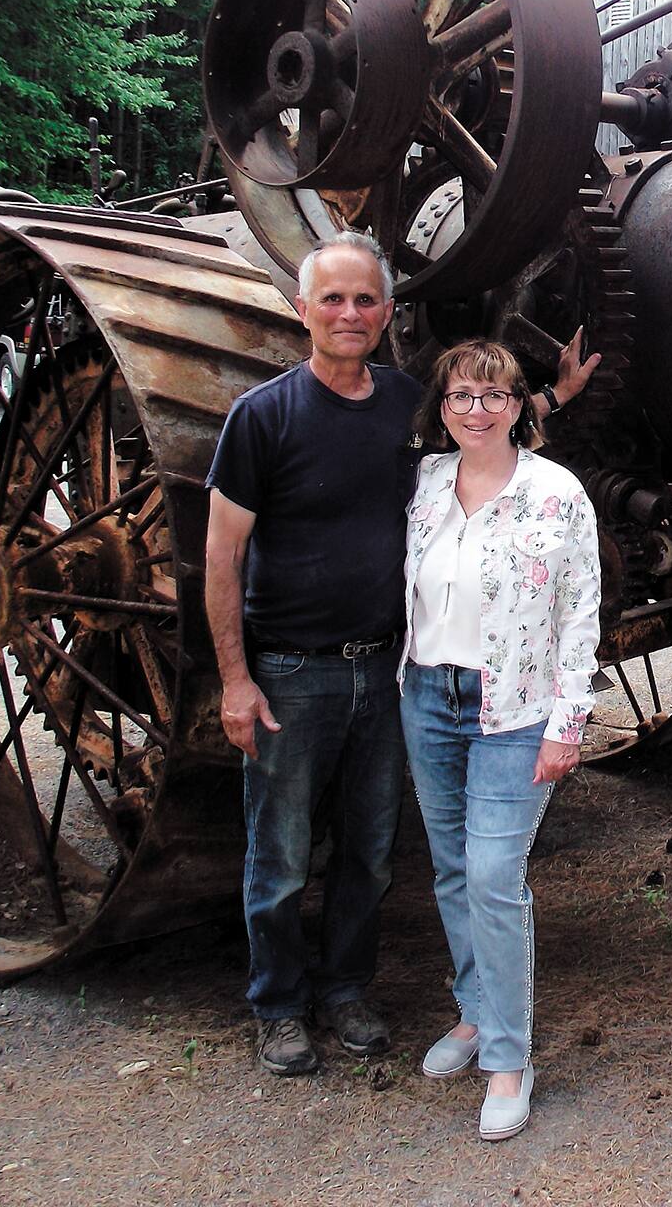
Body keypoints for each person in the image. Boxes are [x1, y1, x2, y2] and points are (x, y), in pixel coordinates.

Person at [206, 234, 593, 1077]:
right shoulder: (261, 416)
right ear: (301, 308)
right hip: (292, 672)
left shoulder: (402, 406)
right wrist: (235, 679)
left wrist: (552, 397)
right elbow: (221, 557)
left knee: (371, 852)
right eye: (333, 300)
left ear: (388, 312)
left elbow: (484, 437)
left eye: (367, 300)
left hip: (389, 674)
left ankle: (346, 990)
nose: (351, 315)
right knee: (277, 853)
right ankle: (277, 1005)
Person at [401, 339, 600, 1141]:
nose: (474, 410)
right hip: (427, 695)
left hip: (514, 712)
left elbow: (581, 614)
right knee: (452, 869)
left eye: (491, 397)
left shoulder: (557, 494)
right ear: (441, 408)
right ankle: (475, 1012)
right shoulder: (423, 485)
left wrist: (568, 722)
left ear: (519, 407)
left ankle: (509, 1061)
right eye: (459, 397)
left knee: (493, 872)